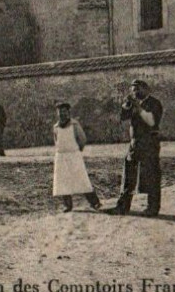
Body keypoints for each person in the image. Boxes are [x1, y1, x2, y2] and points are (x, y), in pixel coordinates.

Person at [107, 79, 163, 217]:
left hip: (150, 143)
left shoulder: (155, 103)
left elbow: (151, 121)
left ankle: (152, 208)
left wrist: (138, 107)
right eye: (133, 90)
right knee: (128, 174)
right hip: (135, 143)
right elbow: (122, 118)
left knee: (151, 174)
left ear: (146, 89)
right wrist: (126, 107)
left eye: (137, 89)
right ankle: (122, 206)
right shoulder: (134, 104)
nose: (135, 93)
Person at [52, 102, 101, 212]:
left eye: (64, 112)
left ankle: (95, 203)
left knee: (82, 179)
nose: (62, 114)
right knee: (62, 182)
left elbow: (82, 139)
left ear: (68, 112)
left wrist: (76, 151)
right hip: (61, 157)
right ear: (57, 113)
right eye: (60, 112)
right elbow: (56, 141)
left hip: (74, 155)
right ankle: (68, 205)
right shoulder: (55, 127)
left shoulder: (74, 125)